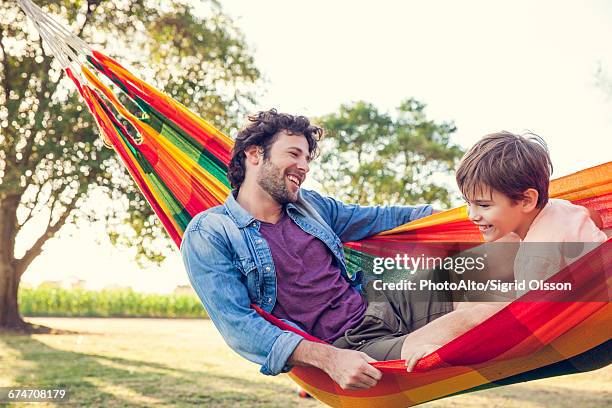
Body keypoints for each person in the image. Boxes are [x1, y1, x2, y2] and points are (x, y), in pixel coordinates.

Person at [181, 109, 442, 391]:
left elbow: (385, 218)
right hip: (353, 346)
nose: (304, 166)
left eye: (306, 158)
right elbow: (239, 326)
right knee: (453, 339)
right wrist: (330, 360)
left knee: (488, 270)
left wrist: (466, 217)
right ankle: (443, 342)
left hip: (385, 302)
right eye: (293, 154)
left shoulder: (311, 206)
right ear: (255, 154)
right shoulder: (210, 232)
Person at [400, 131, 607, 371]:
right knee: (478, 294)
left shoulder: (536, 254)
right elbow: (595, 218)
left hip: (582, 318)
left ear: (527, 200)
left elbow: (528, 321)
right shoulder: (561, 207)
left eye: (484, 205)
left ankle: (431, 346)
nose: (472, 215)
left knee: (478, 309)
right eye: (469, 203)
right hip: (581, 291)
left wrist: (454, 345)